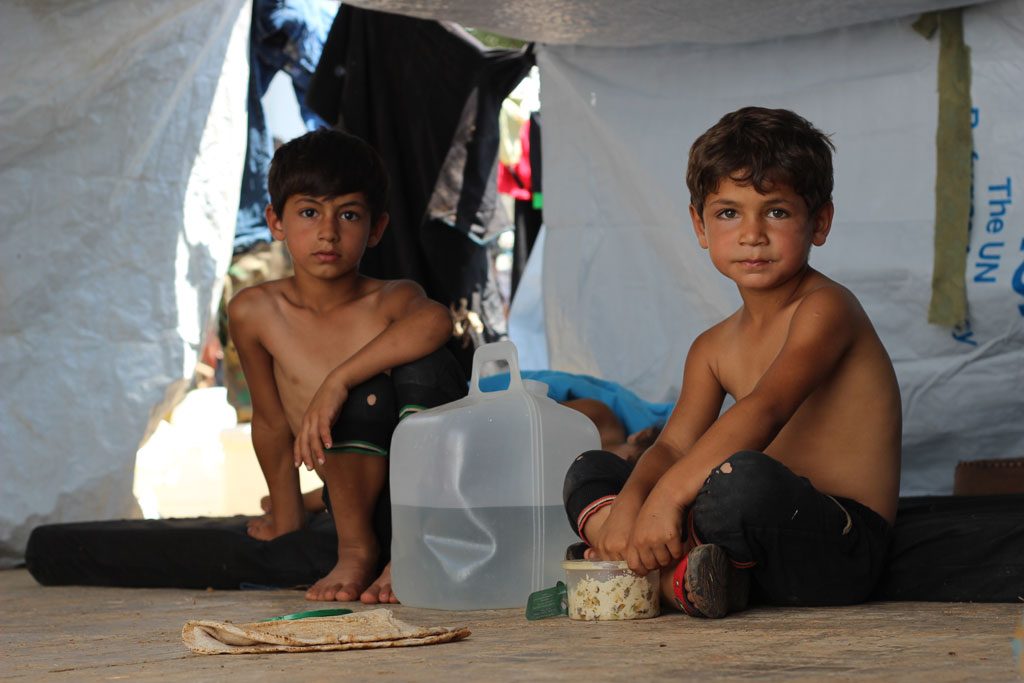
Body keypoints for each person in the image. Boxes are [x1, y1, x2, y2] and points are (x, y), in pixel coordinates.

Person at [563, 107, 902, 618]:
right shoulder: (712, 346)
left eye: (777, 212)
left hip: (839, 543)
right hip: (744, 537)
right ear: (700, 225)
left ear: (820, 222)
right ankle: (671, 566)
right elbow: (674, 444)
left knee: (739, 480)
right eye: (728, 213)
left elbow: (766, 408)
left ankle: (653, 570)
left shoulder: (826, 309)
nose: (752, 234)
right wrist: (633, 505)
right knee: (592, 469)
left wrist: (668, 499)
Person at [228, 129, 466, 604]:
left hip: (429, 500)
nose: (328, 232)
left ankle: (413, 548)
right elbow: (272, 421)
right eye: (309, 212)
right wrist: (288, 515)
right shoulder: (255, 312)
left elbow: (437, 321)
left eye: (349, 215)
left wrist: (338, 380)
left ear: (376, 229)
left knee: (419, 368)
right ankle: (356, 551)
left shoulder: (391, 299)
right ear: (276, 221)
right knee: (363, 395)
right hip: (352, 504)